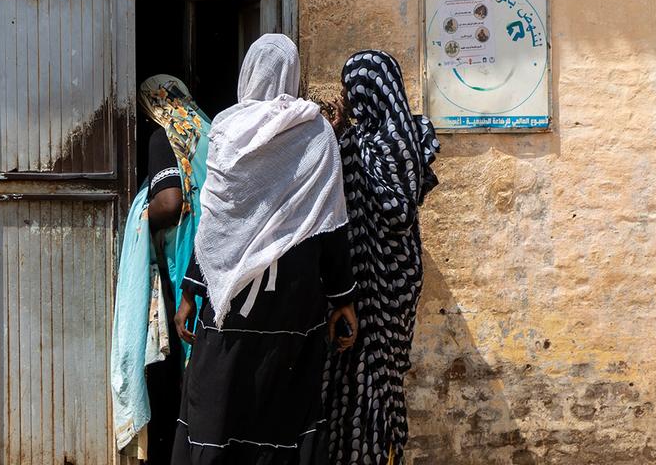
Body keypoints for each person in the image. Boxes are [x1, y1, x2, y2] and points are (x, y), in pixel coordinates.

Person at [172, 34, 358, 465]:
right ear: (291, 74)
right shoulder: (315, 131)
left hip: (231, 297)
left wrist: (190, 290)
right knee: (282, 403)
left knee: (219, 396)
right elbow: (329, 224)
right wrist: (343, 298)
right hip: (292, 296)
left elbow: (217, 224)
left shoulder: (226, 128)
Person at [321, 50, 440, 465]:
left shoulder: (375, 146)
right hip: (395, 278)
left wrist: (341, 140)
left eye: (349, 89)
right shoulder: (406, 138)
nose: (344, 97)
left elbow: (395, 210)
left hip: (377, 283)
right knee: (378, 379)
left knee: (368, 378)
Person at [110, 75, 212, 460]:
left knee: (184, 361)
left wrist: (139, 216)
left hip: (186, 263)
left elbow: (169, 203)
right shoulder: (214, 134)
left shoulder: (164, 137)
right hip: (222, 260)